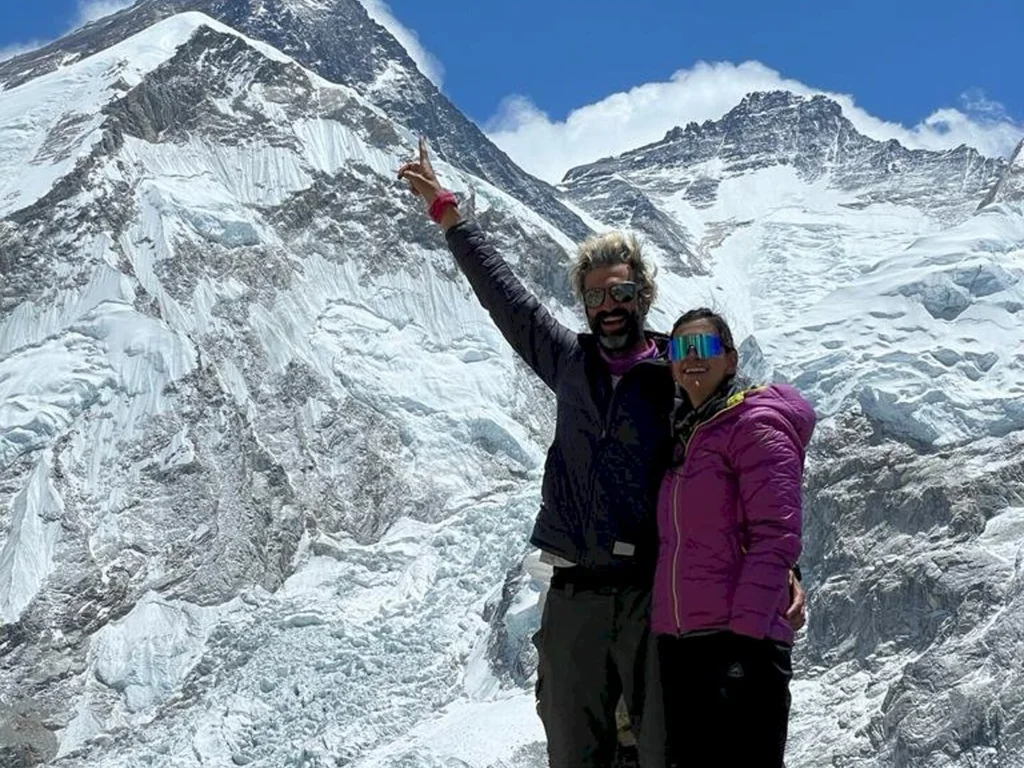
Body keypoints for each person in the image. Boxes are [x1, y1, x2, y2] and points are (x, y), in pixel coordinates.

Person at [398, 139, 805, 768]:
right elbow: (504, 297)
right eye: (595, 297)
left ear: (642, 294)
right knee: (573, 748)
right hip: (572, 591)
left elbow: (742, 470)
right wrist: (447, 212)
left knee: (662, 751)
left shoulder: (676, 372)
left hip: (651, 595)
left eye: (620, 294)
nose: (608, 307)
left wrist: (784, 566)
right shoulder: (569, 361)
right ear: (584, 304)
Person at [652, 308, 815, 768]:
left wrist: (742, 641)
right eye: (679, 349)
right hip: (685, 642)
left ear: (730, 359)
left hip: (739, 644)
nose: (691, 358)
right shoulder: (689, 432)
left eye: (703, 346)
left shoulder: (754, 423)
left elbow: (776, 535)